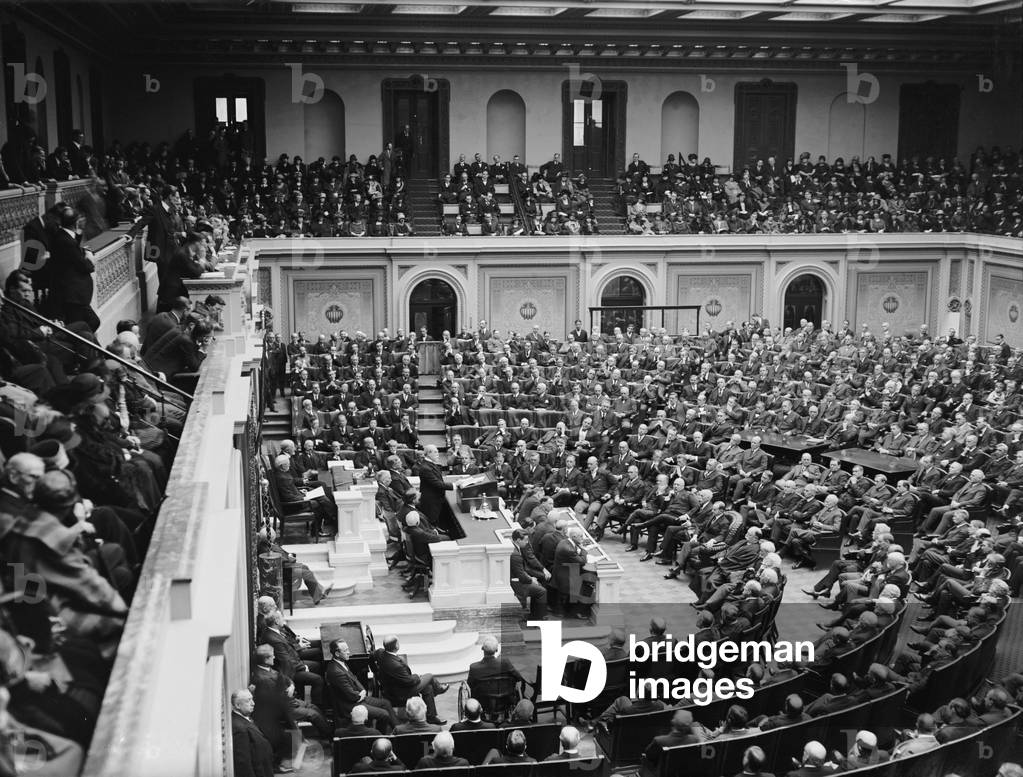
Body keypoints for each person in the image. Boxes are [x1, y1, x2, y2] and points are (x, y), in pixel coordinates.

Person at [374, 634, 449, 725]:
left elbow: (370, 656)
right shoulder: (395, 666)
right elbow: (409, 681)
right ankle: (438, 689)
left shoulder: (379, 652)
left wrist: (375, 672)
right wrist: (417, 676)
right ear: (396, 646)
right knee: (429, 676)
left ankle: (431, 717)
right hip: (401, 692)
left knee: (428, 688)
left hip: (395, 685)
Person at [326, 640, 397, 732]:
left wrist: (362, 691)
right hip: (350, 705)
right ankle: (380, 736)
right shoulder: (336, 672)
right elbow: (353, 697)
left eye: (348, 649)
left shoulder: (341, 662)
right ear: (337, 653)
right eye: (345, 650)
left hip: (358, 699)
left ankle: (397, 728)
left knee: (385, 703)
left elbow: (355, 680)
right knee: (384, 715)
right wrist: (360, 694)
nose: (349, 652)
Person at [230, 689, 275, 777]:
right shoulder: (240, 729)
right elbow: (243, 764)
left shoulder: (244, 718)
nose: (253, 703)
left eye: (252, 699)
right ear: (237, 705)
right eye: (248, 701)